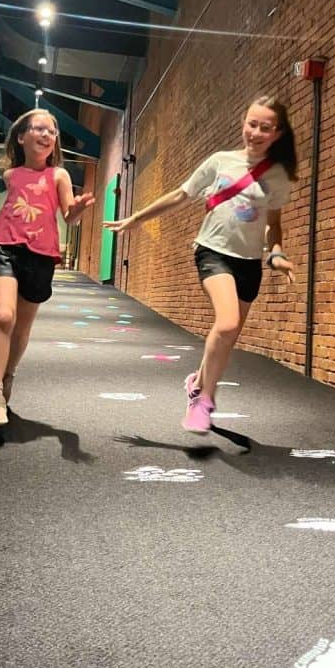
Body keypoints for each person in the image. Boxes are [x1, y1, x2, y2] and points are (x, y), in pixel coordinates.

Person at [104, 94, 297, 433]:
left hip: (249, 261)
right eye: (251, 124)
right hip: (213, 251)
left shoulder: (279, 176)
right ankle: (204, 400)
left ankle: (196, 381)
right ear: (244, 123)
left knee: (228, 335)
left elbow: (273, 223)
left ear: (277, 134)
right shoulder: (221, 161)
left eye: (265, 128)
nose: (255, 133)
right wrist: (136, 217)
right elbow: (181, 195)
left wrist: (276, 252)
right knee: (226, 324)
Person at [0, 109, 94, 429]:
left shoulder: (59, 176)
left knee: (22, 327)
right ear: (21, 137)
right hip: (4, 247)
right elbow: (15, 211)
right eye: (39, 128)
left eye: (52, 131)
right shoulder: (12, 176)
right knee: (4, 315)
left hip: (41, 255)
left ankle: (7, 375)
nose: (47, 134)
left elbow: (66, 216)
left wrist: (76, 210)